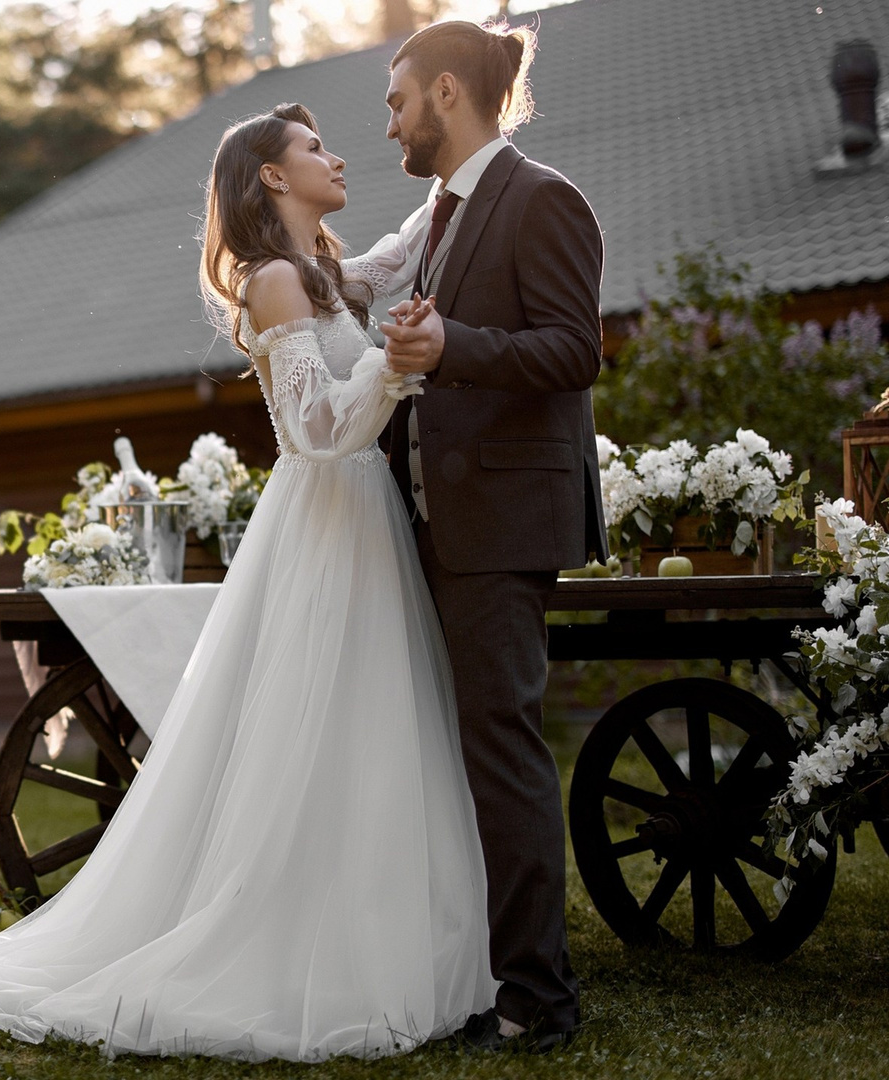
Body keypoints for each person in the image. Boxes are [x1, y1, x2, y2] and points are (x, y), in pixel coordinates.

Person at [0, 100, 497, 1063]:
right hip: (327, 524)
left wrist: (468, 170)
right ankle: (297, 947)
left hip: (364, 533)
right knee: (320, 730)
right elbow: (316, 433)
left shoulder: (324, 274)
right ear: (273, 177)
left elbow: (402, 253)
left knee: (371, 730)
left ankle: (382, 931)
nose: (338, 155)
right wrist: (398, 371)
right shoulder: (276, 281)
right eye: (314, 147)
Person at [349, 19, 606, 1053]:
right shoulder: (438, 216)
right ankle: (472, 971)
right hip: (431, 522)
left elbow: (573, 350)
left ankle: (539, 1001)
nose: (391, 120)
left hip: (499, 524)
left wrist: (454, 343)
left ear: (448, 92)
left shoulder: (543, 198)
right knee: (460, 753)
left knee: (501, 752)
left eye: (398, 99)